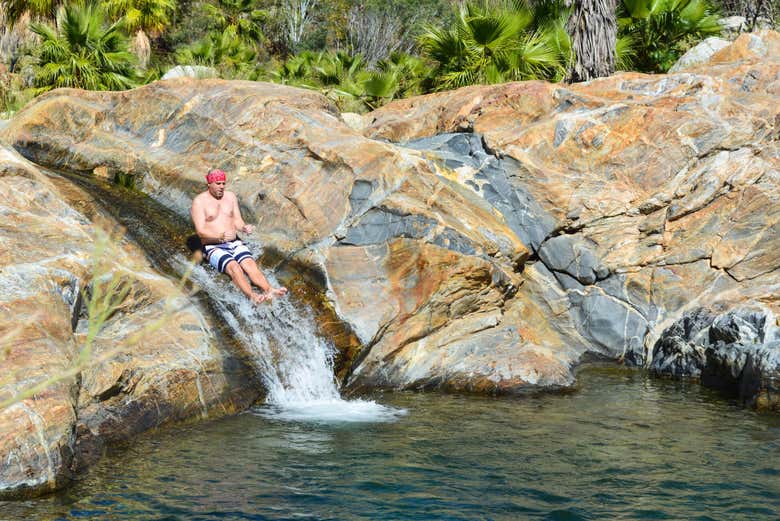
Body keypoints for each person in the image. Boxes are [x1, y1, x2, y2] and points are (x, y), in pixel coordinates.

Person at [191, 168, 288, 304]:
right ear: (209, 184)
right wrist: (220, 237)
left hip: (234, 242)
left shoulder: (230, 197)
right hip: (213, 246)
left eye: (223, 183)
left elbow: (237, 220)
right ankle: (252, 295)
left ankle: (269, 289)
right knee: (234, 267)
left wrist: (243, 227)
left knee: (249, 264)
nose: (222, 186)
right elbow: (200, 231)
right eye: (218, 183)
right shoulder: (199, 202)